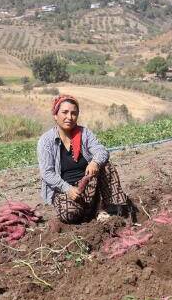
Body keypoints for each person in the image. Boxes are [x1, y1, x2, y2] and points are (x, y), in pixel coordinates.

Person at [37, 94, 132, 223]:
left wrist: (94, 162)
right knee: (69, 214)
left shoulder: (84, 133)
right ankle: (93, 210)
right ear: (55, 115)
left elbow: (101, 151)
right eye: (64, 112)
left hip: (89, 183)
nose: (69, 117)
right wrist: (67, 189)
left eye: (73, 113)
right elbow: (47, 173)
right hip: (65, 189)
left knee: (106, 165)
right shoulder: (46, 141)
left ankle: (110, 208)